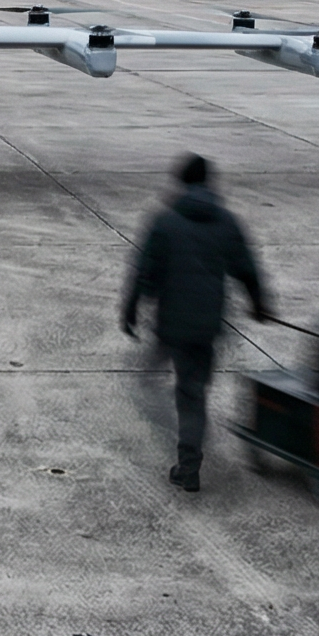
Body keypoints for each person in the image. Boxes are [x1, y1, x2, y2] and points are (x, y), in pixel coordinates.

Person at [121, 154, 272, 493]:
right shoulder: (227, 222)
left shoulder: (165, 222)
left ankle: (187, 458)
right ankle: (189, 453)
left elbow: (144, 271)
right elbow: (247, 269)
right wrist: (260, 304)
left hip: (171, 322)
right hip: (206, 324)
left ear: (182, 182)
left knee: (158, 380)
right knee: (193, 394)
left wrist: (130, 310)